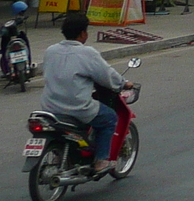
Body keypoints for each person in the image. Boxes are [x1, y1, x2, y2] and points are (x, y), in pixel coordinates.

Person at [40, 12, 136, 175]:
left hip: (50, 108)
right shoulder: (87, 53)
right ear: (83, 33)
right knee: (109, 118)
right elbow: (106, 75)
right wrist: (124, 83)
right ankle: (101, 160)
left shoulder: (51, 51)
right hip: (77, 108)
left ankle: (63, 156)